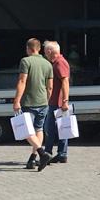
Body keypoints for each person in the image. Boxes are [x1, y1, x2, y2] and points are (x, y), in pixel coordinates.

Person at [12, 38, 53, 170]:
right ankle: (33, 158)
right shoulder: (48, 64)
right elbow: (50, 87)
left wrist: (17, 100)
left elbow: (22, 81)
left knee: (26, 131)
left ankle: (42, 153)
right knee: (38, 130)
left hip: (29, 102)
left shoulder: (25, 61)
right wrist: (47, 100)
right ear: (39, 48)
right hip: (43, 102)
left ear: (28, 49)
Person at [41, 40, 71, 168]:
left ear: (49, 51)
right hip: (56, 102)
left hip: (57, 103)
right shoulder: (59, 62)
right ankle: (61, 154)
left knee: (50, 129)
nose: (45, 54)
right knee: (61, 128)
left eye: (45, 51)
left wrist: (65, 101)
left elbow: (65, 82)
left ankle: (50, 153)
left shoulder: (59, 63)